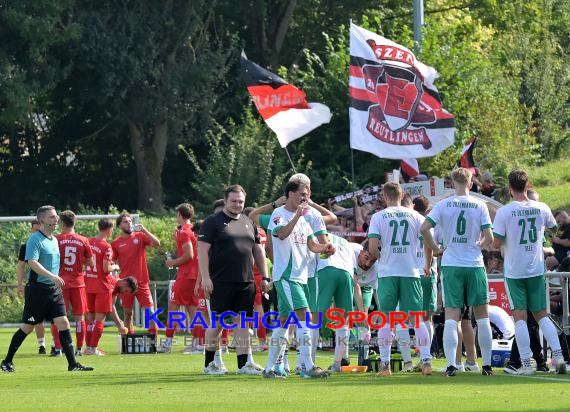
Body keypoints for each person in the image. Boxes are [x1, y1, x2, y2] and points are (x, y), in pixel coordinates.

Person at [421, 167, 495, 377]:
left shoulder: (443, 204)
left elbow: (423, 228)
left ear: (452, 183)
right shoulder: (480, 204)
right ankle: (487, 366)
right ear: (471, 183)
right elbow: (489, 237)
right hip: (474, 264)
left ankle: (452, 364)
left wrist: (435, 249)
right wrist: (477, 246)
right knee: (482, 317)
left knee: (452, 316)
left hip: (452, 263)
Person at [1, 205, 93, 372]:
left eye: (56, 216)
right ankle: (7, 361)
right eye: (51, 217)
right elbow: (32, 262)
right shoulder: (34, 239)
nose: (55, 219)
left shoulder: (54, 240)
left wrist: (56, 278)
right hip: (38, 290)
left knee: (63, 323)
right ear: (42, 220)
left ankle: (72, 364)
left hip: (53, 290)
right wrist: (52, 276)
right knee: (28, 327)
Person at [492, 169, 566, 374]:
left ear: (509, 188)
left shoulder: (504, 212)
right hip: (535, 268)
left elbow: (497, 243)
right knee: (542, 315)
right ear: (528, 185)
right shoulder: (541, 207)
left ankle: (526, 363)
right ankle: (559, 357)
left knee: (520, 318)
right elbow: (554, 227)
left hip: (515, 270)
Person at [263, 180, 335, 379]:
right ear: (290, 194)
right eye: (302, 193)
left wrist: (326, 248)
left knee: (283, 323)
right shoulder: (279, 215)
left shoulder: (305, 219)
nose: (306, 197)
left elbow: (312, 245)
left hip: (300, 277)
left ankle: (269, 369)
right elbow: (282, 234)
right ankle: (309, 366)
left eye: (308, 193)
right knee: (306, 317)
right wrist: (297, 215)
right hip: (287, 276)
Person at [199, 185, 268, 375]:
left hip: (245, 281)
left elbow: (257, 250)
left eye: (241, 201)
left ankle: (244, 365)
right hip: (220, 281)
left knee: (243, 324)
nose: (237, 204)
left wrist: (264, 275)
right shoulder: (212, 222)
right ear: (226, 200)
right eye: (233, 201)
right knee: (218, 323)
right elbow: (202, 250)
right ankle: (209, 364)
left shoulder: (248, 221)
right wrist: (205, 277)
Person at [368, 182, 433, 377]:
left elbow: (372, 248)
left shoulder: (378, 217)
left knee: (386, 320)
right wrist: (429, 262)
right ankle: (426, 361)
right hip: (410, 272)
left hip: (388, 273)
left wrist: (384, 259)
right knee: (417, 320)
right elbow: (428, 242)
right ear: (402, 194)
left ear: (384, 196)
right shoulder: (415, 215)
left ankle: (385, 365)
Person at [159, 203, 204, 353]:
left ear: (179, 215)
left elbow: (189, 254)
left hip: (186, 275)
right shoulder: (192, 230)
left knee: (173, 307)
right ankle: (198, 343)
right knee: (193, 310)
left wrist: (172, 262)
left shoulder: (184, 232)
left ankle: (167, 343)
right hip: (195, 275)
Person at [112, 212, 160, 335]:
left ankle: (153, 341)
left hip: (142, 282)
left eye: (130, 221)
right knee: (128, 314)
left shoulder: (140, 236)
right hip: (126, 285)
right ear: (119, 226)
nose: (129, 223)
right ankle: (129, 340)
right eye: (125, 222)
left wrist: (144, 230)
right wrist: (116, 277)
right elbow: (112, 263)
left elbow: (157, 243)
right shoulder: (116, 243)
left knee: (150, 312)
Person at [316, 234, 357, 372]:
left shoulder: (317, 236)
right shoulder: (345, 241)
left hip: (326, 270)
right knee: (343, 321)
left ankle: (308, 363)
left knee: (314, 316)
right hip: (346, 274)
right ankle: (338, 364)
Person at [56, 210, 94, 355]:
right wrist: (79, 259)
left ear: (62, 223)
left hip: (60, 283)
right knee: (79, 318)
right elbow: (90, 263)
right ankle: (78, 348)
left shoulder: (56, 239)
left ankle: (57, 348)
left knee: (59, 316)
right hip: (78, 283)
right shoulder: (83, 240)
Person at [84, 219, 124, 355]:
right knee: (99, 319)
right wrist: (116, 266)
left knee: (90, 318)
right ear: (108, 229)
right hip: (102, 286)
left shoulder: (88, 242)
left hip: (88, 284)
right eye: (112, 229)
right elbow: (106, 269)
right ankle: (93, 349)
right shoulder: (106, 246)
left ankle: (88, 348)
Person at [16, 219, 46, 355]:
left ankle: (56, 347)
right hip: (35, 286)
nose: (37, 232)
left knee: (59, 318)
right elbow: (21, 266)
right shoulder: (27, 245)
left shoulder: (49, 242)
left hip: (51, 284)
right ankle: (42, 345)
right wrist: (19, 285)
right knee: (35, 318)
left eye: (38, 229)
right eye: (34, 229)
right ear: (31, 230)